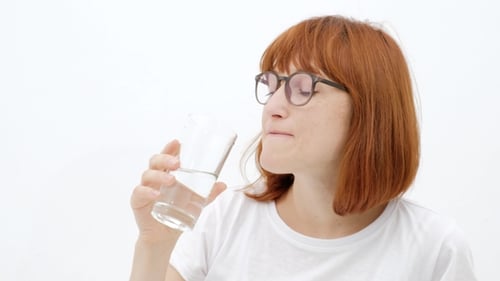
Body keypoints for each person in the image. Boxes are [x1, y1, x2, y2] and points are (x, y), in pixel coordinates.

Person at [129, 15, 477, 281]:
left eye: (303, 86)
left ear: (369, 110)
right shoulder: (226, 217)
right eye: (272, 84)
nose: (273, 106)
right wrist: (155, 243)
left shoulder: (435, 249)